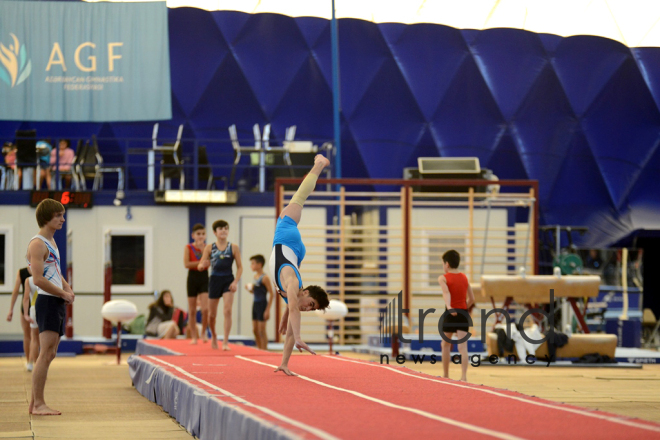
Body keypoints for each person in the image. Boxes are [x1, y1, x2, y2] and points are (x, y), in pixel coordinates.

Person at [269, 154, 330, 376]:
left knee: (292, 323)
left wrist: (284, 363)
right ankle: (320, 164)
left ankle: (285, 365)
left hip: (295, 254)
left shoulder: (295, 292)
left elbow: (292, 312)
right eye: (311, 304)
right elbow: (293, 307)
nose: (308, 308)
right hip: (286, 237)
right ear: (304, 292)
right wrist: (299, 334)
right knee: (300, 196)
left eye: (311, 309)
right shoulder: (294, 284)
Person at [26, 198, 75, 415]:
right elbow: (37, 279)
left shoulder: (51, 242)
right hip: (46, 300)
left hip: (54, 299)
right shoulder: (37, 244)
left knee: (50, 352)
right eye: (58, 216)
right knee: (45, 353)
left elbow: (55, 271)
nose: (63, 219)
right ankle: (38, 404)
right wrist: (63, 293)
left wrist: (67, 288)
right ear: (47, 218)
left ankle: (34, 402)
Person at [198, 220, 242, 350]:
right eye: (220, 229)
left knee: (227, 311)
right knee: (212, 314)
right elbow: (201, 264)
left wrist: (235, 282)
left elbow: (240, 268)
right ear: (215, 232)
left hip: (228, 279)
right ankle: (214, 335)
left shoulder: (233, 247)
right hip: (215, 280)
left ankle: (226, 341)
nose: (223, 231)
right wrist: (202, 266)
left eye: (226, 228)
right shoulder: (210, 247)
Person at [438, 249, 475, 382]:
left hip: (450, 313)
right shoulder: (464, 277)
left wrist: (449, 306)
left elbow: (446, 293)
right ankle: (463, 377)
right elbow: (472, 298)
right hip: (463, 313)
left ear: (447, 264)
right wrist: (464, 308)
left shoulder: (443, 278)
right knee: (462, 347)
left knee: (445, 344)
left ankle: (446, 375)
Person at [183, 223, 209, 344]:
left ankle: (203, 333)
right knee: (192, 310)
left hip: (203, 277)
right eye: (198, 234)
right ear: (193, 235)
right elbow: (187, 264)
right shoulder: (188, 247)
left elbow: (209, 264)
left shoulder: (207, 248)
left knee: (205, 309)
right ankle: (194, 336)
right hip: (192, 278)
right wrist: (200, 264)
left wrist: (203, 252)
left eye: (203, 234)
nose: (200, 236)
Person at [6, 266, 34, 370]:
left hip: (31, 305)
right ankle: (30, 361)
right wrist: (11, 309)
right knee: (31, 336)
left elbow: (16, 291)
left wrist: (11, 310)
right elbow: (16, 291)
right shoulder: (23, 272)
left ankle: (31, 361)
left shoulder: (25, 272)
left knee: (31, 336)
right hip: (30, 305)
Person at [246, 254, 274, 350]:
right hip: (255, 304)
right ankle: (259, 348)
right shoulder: (255, 276)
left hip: (262, 304)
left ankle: (264, 350)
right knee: (255, 330)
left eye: (253, 263)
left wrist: (267, 309)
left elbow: (271, 293)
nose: (251, 266)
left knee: (262, 330)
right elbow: (256, 291)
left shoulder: (264, 278)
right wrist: (250, 289)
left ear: (259, 264)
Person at [22, 275, 40, 371]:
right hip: (46, 309)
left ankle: (33, 364)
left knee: (34, 338)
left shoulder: (29, 280)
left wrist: (25, 314)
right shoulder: (46, 277)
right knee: (43, 338)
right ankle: (41, 365)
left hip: (34, 309)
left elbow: (26, 298)